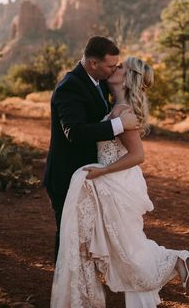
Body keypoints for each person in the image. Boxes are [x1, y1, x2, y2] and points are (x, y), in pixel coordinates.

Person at [49, 56, 189, 308]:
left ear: (127, 78)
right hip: (114, 183)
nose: (113, 70)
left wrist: (101, 172)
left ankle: (176, 260)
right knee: (125, 249)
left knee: (127, 251)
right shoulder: (113, 105)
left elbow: (137, 155)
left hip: (116, 183)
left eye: (119, 68)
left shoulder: (124, 109)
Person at [43, 36, 139, 258]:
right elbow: (74, 133)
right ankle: (65, 289)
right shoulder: (70, 87)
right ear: (94, 63)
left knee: (86, 236)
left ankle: (84, 286)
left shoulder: (99, 80)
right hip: (67, 175)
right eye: (110, 66)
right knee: (68, 235)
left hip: (88, 174)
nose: (113, 70)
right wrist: (119, 124)